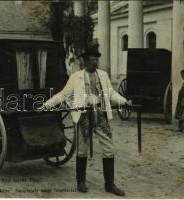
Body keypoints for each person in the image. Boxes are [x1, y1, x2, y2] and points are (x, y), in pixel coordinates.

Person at [43, 49, 130, 196]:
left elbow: (111, 93)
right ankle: (80, 182)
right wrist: (46, 105)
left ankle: (110, 185)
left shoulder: (103, 75)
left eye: (96, 59)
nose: (95, 62)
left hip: (100, 115)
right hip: (83, 116)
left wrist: (124, 101)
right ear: (85, 61)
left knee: (109, 148)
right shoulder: (76, 77)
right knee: (82, 150)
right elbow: (64, 94)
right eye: (92, 59)